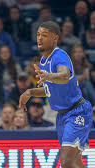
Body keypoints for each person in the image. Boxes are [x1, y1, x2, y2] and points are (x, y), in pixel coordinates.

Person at [19, 21, 93, 168]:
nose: (39, 38)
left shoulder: (60, 56)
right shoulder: (43, 61)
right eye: (38, 34)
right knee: (75, 162)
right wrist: (30, 92)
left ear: (55, 38)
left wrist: (48, 76)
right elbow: (51, 90)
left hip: (77, 112)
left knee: (66, 162)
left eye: (44, 35)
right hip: (62, 115)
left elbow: (64, 75)